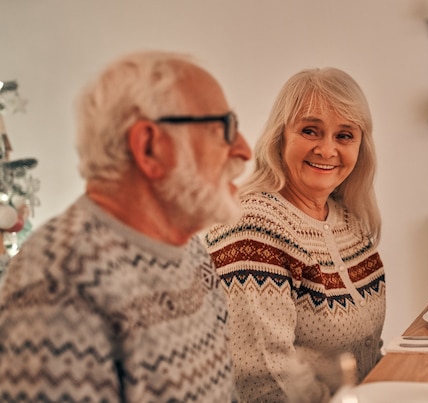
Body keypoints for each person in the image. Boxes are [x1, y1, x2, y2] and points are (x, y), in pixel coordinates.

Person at [0, 51, 252, 401]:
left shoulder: (191, 252)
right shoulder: (59, 284)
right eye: (223, 128)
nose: (244, 150)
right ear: (148, 147)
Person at [205, 67, 385, 402]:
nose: (327, 150)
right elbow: (263, 383)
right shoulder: (252, 230)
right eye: (310, 131)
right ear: (281, 136)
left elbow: (367, 355)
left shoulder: (348, 220)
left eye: (344, 136)